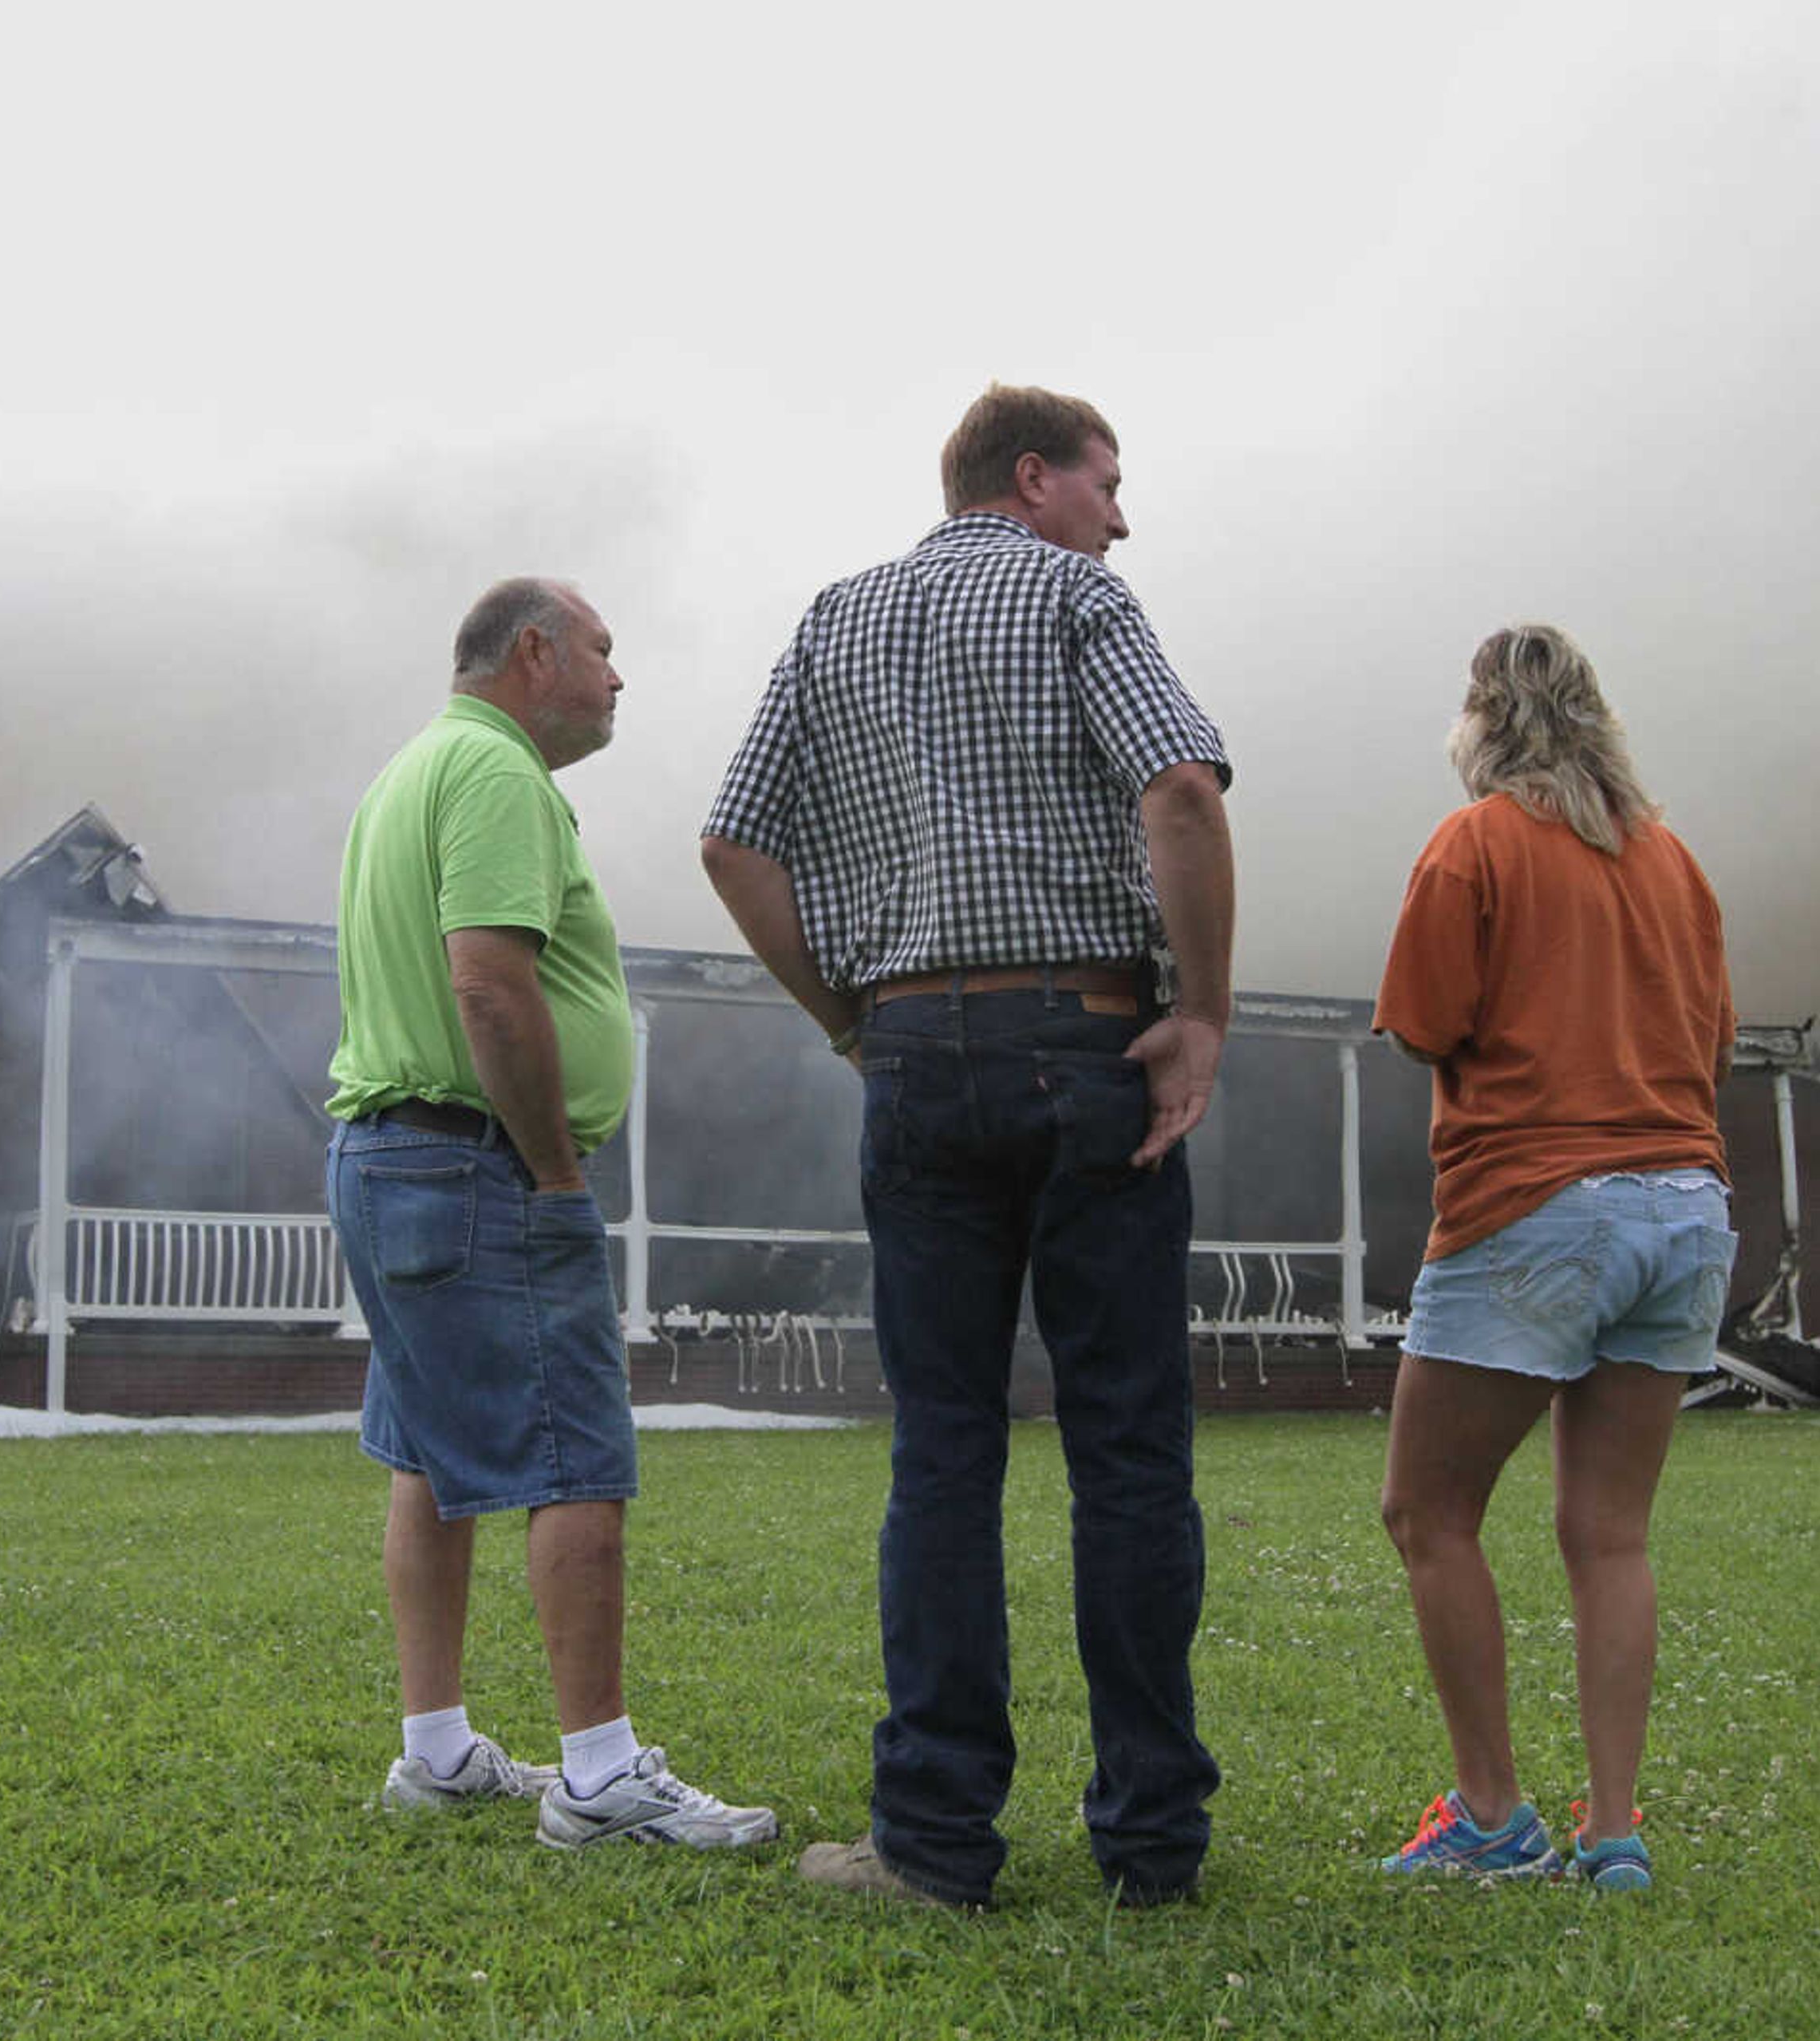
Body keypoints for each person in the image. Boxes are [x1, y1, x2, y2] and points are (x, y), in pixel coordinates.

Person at [700, 384, 1236, 1910]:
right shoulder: (1077, 595)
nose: (1122, 516)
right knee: (1126, 1445)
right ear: (1031, 475)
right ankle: (1152, 1846)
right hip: (1088, 1042)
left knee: (945, 1449)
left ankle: (932, 1844)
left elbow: (732, 841)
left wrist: (845, 1021)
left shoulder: (837, 616)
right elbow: (1183, 787)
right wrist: (1201, 1017)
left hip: (916, 1056)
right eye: (1107, 482)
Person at [325, 576, 776, 1852]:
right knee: (576, 1451)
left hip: (390, 1159)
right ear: (535, 653)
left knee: (427, 1449)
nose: (618, 677)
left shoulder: (409, 771)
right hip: (479, 1165)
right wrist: (556, 1171)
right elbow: (490, 984)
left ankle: (437, 1748)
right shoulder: (500, 776)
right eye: (601, 651)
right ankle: (599, 1775)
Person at [1370, 623, 1737, 1894]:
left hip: (1538, 1201)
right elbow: (1711, 1042)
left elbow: (1426, 1022)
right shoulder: (1675, 862)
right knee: (1609, 1532)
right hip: (1688, 1208)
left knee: (1428, 1511)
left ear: (1482, 725)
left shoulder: (1473, 844)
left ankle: (1491, 1812)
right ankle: (1616, 1831)